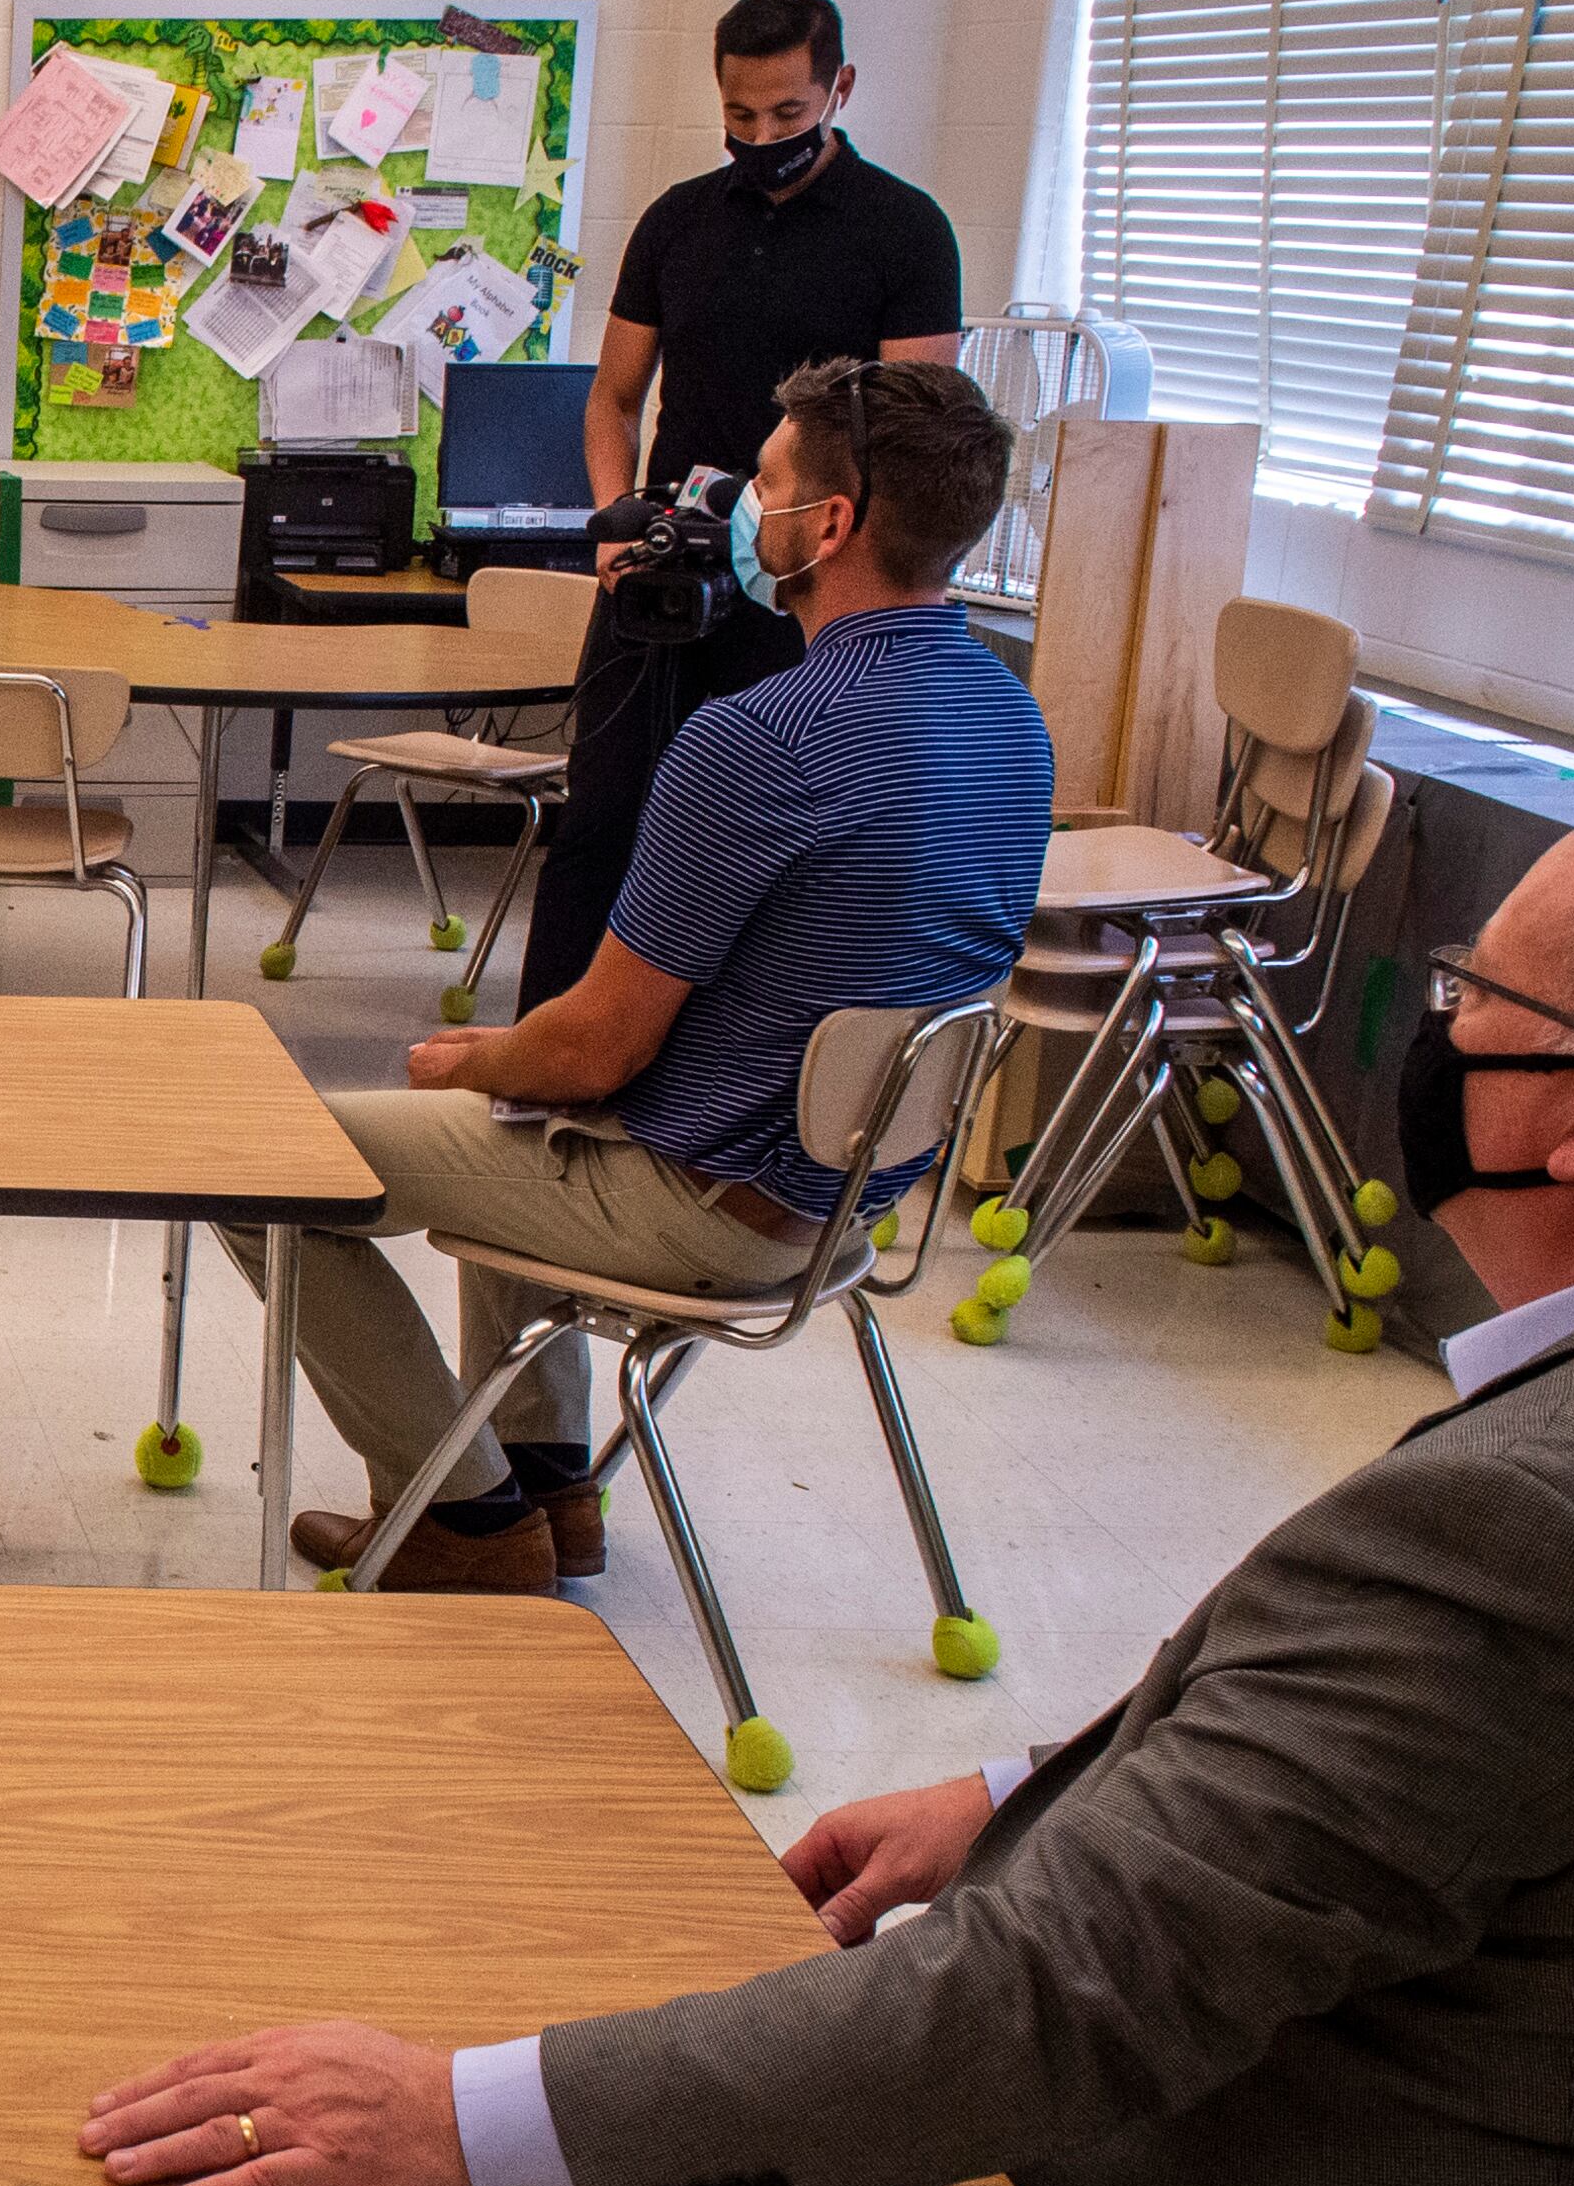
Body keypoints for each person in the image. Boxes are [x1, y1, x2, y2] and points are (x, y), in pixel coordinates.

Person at [84, 806, 1574, 2186]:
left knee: (462, 2073)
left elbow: (1033, 2010)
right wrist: (1031, 1790)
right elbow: (1449, 1780)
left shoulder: (1539, 1531)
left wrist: (448, 2113)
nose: (1427, 1030)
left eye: (1467, 996)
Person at [222, 357, 1041, 1590]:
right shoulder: (1004, 717)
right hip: (841, 1198)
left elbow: (591, 1049)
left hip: (704, 1204)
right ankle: (553, 1491)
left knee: (259, 1162)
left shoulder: (762, 738)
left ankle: (465, 1526)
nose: (727, 508)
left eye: (758, 483)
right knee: (504, 1111)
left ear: (828, 525)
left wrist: (470, 1059)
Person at [532, 0, 965, 1015]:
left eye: (784, 115)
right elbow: (612, 399)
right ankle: (537, 1062)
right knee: (599, 821)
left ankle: (703, 1071)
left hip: (806, 591)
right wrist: (612, 523)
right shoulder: (676, 222)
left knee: (765, 836)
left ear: (838, 90)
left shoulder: (904, 232)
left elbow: (914, 435)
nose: (759, 137)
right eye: (737, 116)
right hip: (663, 571)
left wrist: (830, 561)